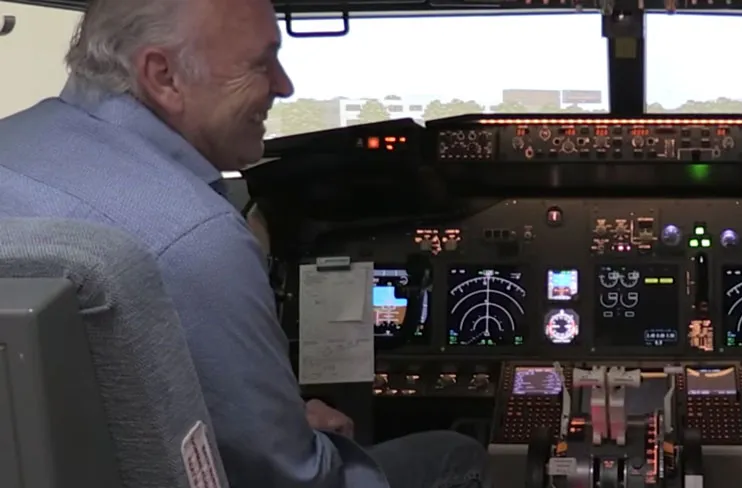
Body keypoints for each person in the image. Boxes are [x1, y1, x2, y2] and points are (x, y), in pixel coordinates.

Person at [0, 0, 492, 487]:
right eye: (262, 62)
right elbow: (294, 479)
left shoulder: (12, 147)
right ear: (163, 76)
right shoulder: (194, 237)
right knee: (457, 453)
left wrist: (278, 424)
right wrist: (306, 442)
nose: (284, 85)